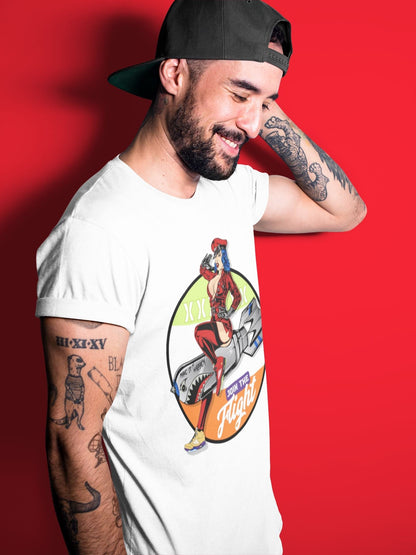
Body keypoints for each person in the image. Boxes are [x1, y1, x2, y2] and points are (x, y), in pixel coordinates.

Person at [36, 0, 366, 554]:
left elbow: (346, 211)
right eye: (238, 94)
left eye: (267, 102)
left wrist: (257, 105)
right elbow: (74, 444)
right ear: (174, 74)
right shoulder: (99, 230)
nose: (253, 125)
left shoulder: (229, 189)